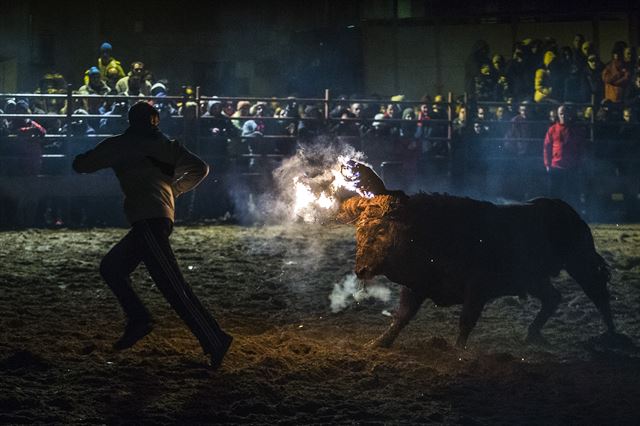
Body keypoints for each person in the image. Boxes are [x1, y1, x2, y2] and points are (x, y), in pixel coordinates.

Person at [72, 101, 232, 369]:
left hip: (148, 220)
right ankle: (141, 319)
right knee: (112, 268)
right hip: (156, 219)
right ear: (155, 120)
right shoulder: (168, 146)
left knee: (171, 286)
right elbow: (200, 168)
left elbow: (82, 165)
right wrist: (175, 190)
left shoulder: (121, 145)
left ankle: (213, 338)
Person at [543, 104, 587, 211]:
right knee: (555, 194)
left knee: (572, 193)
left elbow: (581, 148)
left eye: (565, 113)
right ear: (558, 115)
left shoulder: (576, 130)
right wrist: (547, 164)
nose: (563, 115)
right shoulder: (552, 129)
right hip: (556, 166)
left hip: (571, 167)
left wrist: (580, 163)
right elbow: (547, 148)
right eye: (561, 113)